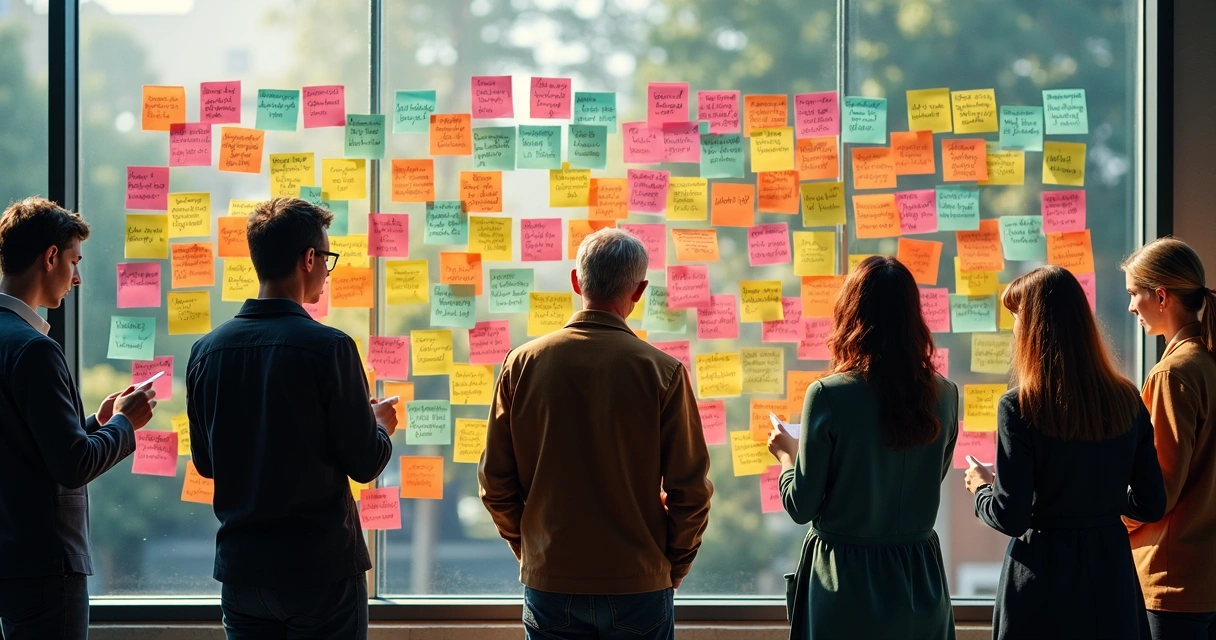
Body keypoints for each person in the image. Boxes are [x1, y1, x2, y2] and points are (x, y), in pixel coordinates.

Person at [478, 228, 713, 640]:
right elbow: (690, 490)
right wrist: (673, 564)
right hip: (639, 583)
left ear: (576, 281)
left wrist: (533, 550)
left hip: (552, 580)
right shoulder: (663, 372)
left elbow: (495, 483)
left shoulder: (521, 365)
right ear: (639, 291)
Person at [186, 197, 398, 640]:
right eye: (328, 259)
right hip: (319, 573)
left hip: (242, 573)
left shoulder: (206, 351)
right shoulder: (330, 348)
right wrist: (379, 425)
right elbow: (364, 463)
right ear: (308, 259)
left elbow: (206, 464)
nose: (328, 272)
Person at [964, 265, 1166, 640]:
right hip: (1110, 579)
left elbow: (1011, 517)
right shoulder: (1127, 399)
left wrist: (982, 488)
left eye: (1016, 317)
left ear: (1032, 328)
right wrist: (1101, 502)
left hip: (1041, 581)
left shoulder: (1018, 407)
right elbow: (1152, 503)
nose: (1013, 329)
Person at [767, 256, 957, 640]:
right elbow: (929, 478)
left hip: (844, 583)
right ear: (913, 316)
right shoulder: (946, 394)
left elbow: (801, 506)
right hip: (918, 581)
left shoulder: (827, 394)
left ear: (849, 314)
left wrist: (788, 455)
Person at [0, 197, 156, 639]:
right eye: (74, 261)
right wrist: (124, 424)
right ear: (51, 257)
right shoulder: (35, 349)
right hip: (46, 566)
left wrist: (94, 425)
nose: (77, 277)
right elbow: (72, 465)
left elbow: (26, 447)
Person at [1121, 238, 1216, 640]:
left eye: (1134, 293)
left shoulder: (1172, 373)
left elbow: (1158, 492)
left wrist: (1105, 515)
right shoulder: (1207, 363)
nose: (1130, 307)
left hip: (1172, 580)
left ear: (1161, 297)